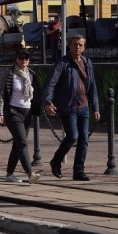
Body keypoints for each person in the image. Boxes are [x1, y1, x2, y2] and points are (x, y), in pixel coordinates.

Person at [42, 35, 101, 181]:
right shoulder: (62, 63)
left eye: (81, 45)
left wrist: (96, 107)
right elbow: (51, 84)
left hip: (84, 107)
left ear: (84, 47)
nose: (78, 47)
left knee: (84, 139)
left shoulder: (87, 62)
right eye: (75, 44)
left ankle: (78, 171)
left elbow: (92, 86)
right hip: (68, 107)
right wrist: (48, 102)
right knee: (73, 136)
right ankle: (56, 161)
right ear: (70, 46)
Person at [0, 50, 43, 184]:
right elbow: (0, 94)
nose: (24, 60)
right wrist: (0, 113)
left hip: (27, 113)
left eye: (26, 58)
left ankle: (9, 175)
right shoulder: (10, 74)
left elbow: (37, 94)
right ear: (16, 59)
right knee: (22, 143)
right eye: (21, 58)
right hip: (13, 112)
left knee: (17, 144)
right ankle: (30, 173)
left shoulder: (31, 75)